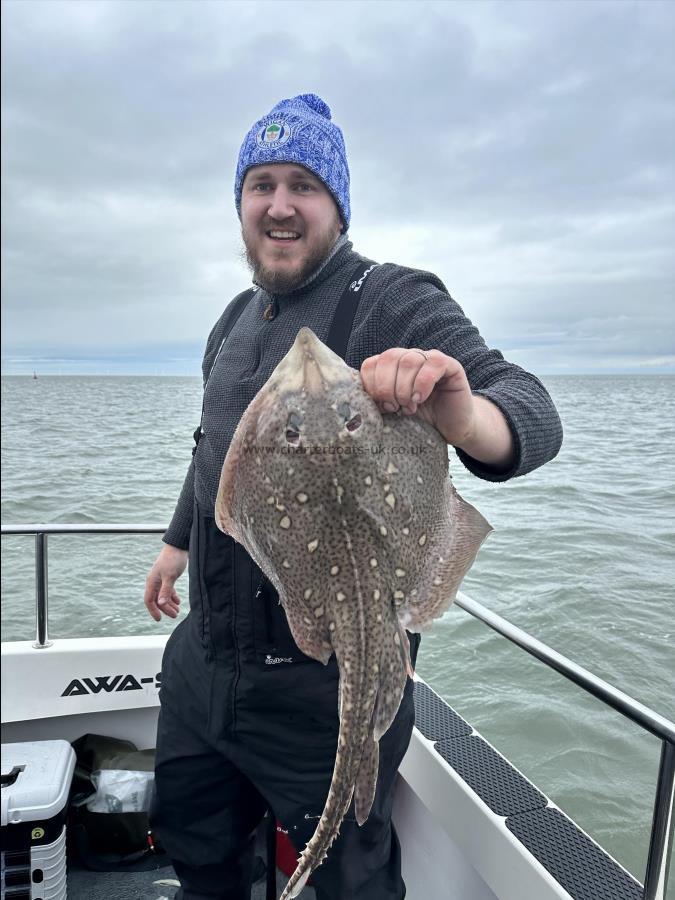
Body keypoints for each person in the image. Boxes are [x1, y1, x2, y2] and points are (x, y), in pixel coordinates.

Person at [144, 93, 563, 900]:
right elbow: (217, 453)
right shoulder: (234, 317)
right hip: (205, 662)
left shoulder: (388, 298)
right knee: (199, 854)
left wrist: (462, 411)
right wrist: (178, 541)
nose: (279, 204)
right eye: (260, 184)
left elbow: (532, 412)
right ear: (239, 204)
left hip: (326, 685)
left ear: (336, 204)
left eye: (302, 184)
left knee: (350, 883)